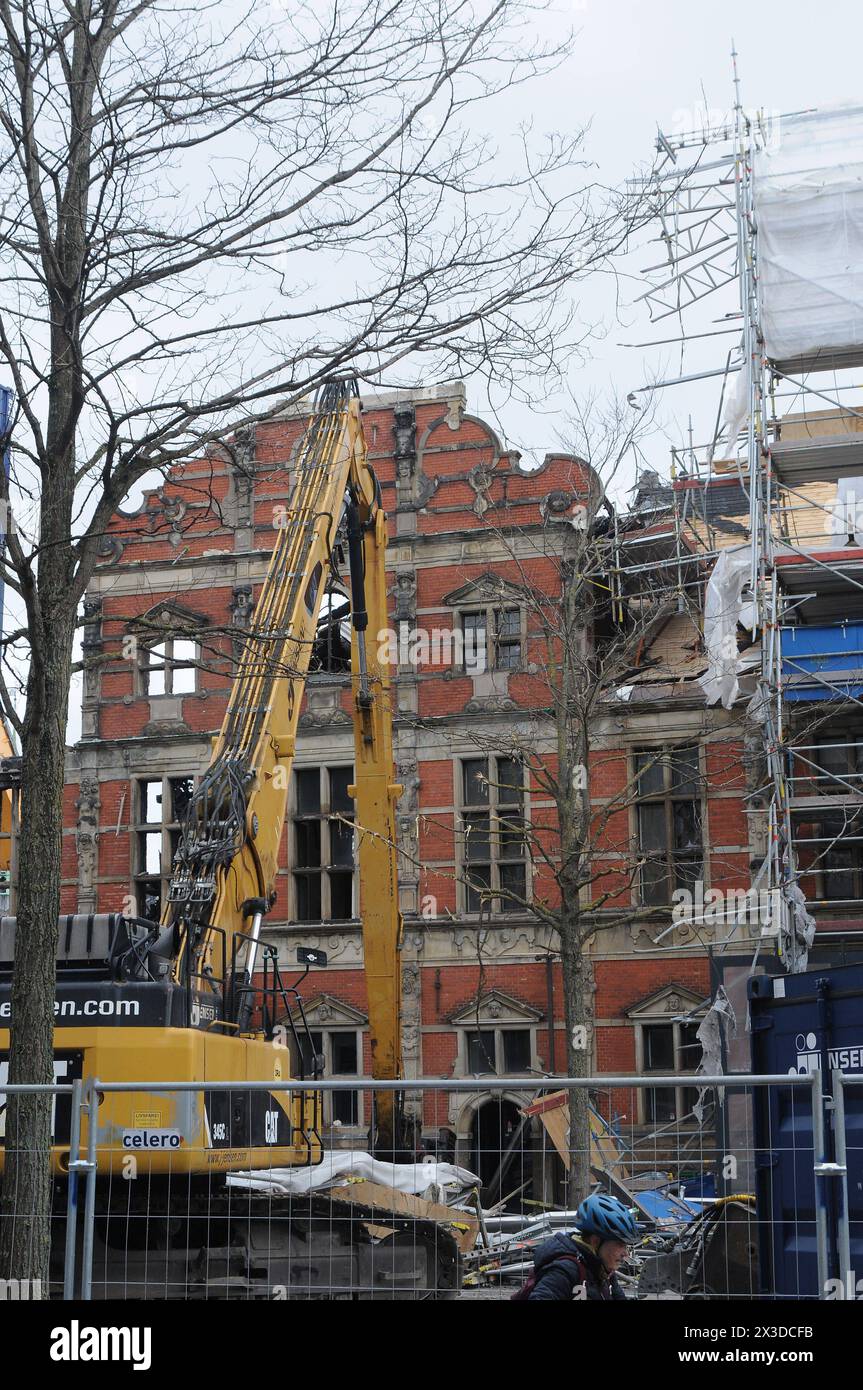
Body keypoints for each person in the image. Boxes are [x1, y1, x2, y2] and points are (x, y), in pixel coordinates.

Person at [526, 1193, 637, 1300]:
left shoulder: (603, 1269)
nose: (625, 1253)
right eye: (620, 1245)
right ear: (595, 1241)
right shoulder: (565, 1270)